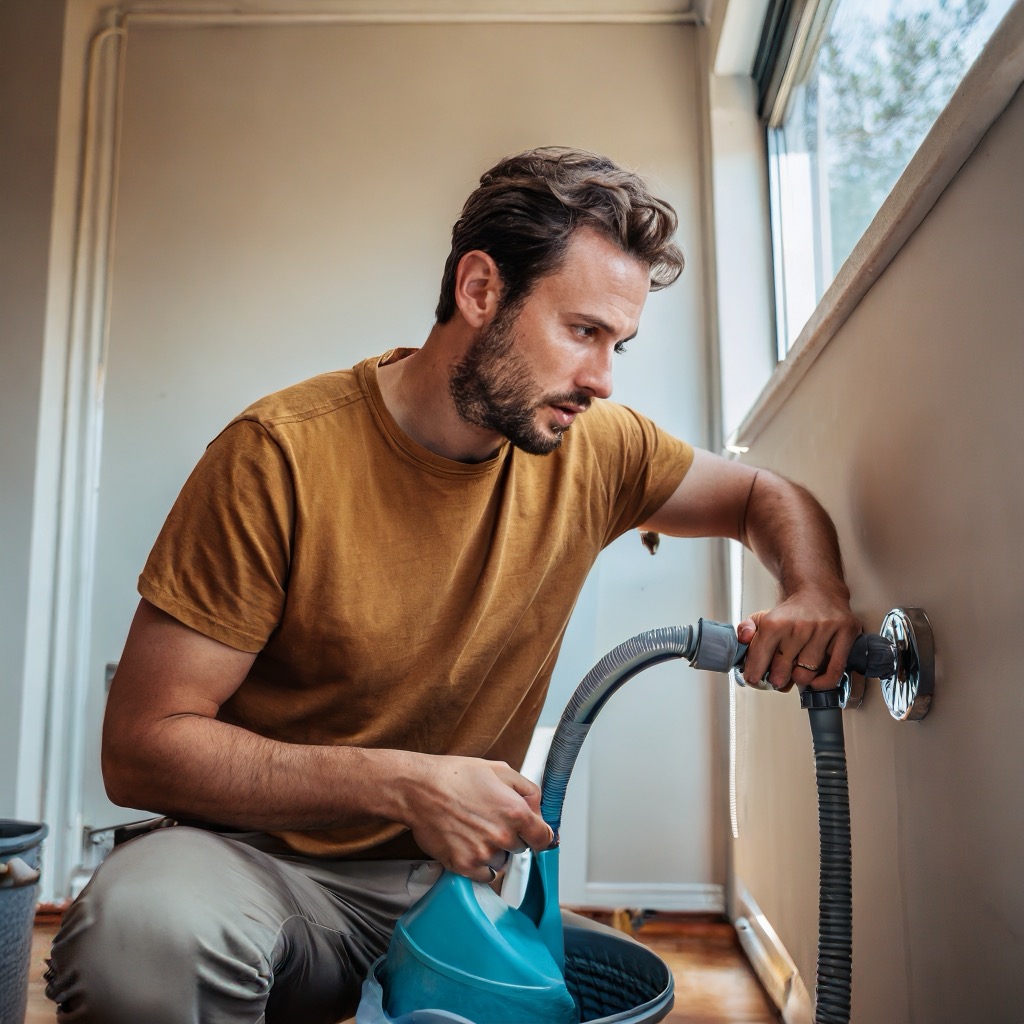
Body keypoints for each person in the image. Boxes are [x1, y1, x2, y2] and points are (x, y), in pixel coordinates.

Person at [45, 147, 859, 1023]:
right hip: (258, 871)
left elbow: (762, 495)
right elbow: (141, 747)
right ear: (480, 291)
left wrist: (813, 587)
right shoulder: (278, 456)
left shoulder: (597, 447)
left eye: (618, 344)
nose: (603, 379)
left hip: (451, 893)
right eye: (582, 331)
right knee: (139, 937)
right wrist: (403, 784)